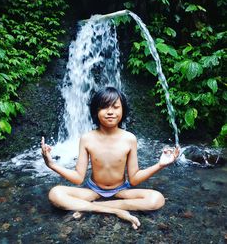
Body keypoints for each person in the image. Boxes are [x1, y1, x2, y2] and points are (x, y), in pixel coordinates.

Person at [41, 87, 179, 230]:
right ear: (96, 111)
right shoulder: (87, 138)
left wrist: (160, 165)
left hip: (121, 190)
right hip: (93, 190)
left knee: (157, 199)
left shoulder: (129, 139)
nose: (110, 112)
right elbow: (78, 178)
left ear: (123, 110)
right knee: (55, 194)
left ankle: (93, 207)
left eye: (115, 107)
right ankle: (116, 210)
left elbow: (134, 179)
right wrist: (51, 164)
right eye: (104, 107)